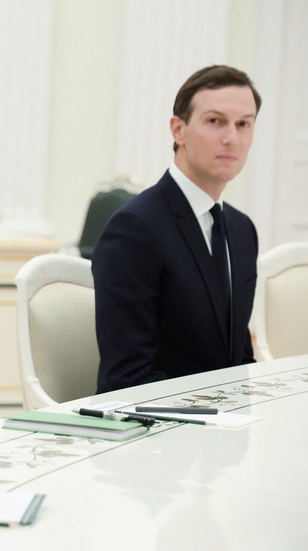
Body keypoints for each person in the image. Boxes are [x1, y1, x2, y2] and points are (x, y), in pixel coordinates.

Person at [93, 64, 261, 393]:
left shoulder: (242, 231)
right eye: (215, 121)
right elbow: (127, 378)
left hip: (226, 432)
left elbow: (238, 361)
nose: (231, 138)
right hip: (157, 435)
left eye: (244, 124)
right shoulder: (134, 229)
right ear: (178, 130)